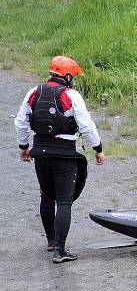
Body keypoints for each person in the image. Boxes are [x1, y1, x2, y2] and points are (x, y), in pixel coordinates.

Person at [14, 56, 105, 263]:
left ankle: (51, 241)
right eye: (73, 77)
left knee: (46, 196)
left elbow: (20, 122)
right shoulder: (71, 95)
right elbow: (87, 126)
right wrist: (98, 148)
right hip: (64, 155)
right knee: (64, 201)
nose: (74, 80)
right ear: (67, 76)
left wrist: (23, 147)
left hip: (40, 154)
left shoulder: (33, 92)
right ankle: (60, 251)